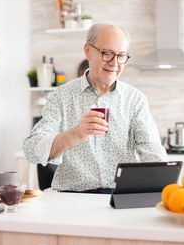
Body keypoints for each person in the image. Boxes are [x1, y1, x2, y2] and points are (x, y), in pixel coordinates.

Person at [23, 23, 167, 193]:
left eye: (121, 56)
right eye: (107, 53)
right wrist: (75, 134)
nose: (114, 63)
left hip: (119, 196)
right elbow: (31, 150)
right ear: (87, 51)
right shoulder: (62, 96)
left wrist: (165, 185)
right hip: (72, 198)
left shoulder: (135, 99)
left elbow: (152, 152)